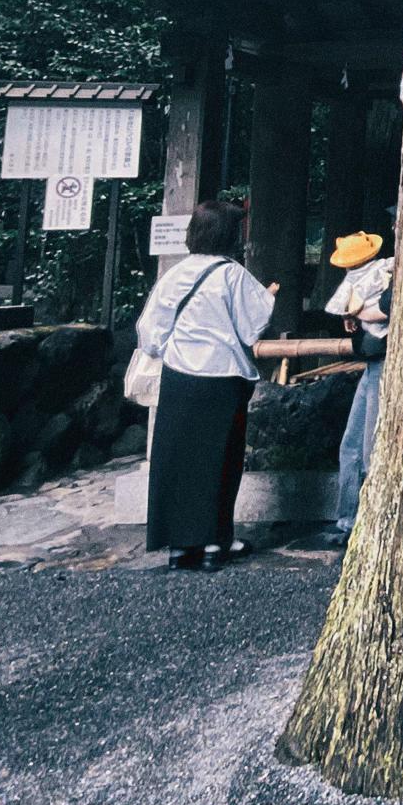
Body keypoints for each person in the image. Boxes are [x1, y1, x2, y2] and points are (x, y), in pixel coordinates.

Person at [136, 199, 276, 571]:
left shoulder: (175, 275)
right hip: (223, 379)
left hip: (180, 378)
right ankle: (216, 542)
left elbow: (150, 334)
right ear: (231, 236)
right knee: (221, 460)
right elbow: (250, 327)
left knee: (177, 461)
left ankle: (179, 546)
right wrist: (269, 299)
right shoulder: (233, 274)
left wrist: (176, 349)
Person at [323, 230, 393, 545]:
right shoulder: (382, 269)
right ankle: (348, 518)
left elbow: (388, 307)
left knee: (368, 449)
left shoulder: (386, 272)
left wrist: (357, 312)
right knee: (352, 445)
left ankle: (366, 522)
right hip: (371, 360)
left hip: (383, 360)